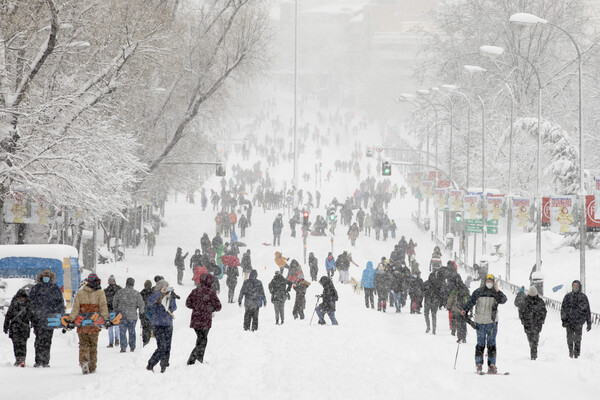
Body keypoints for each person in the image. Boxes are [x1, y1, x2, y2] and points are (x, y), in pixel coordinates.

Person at [461, 274, 507, 374]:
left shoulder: (496, 293)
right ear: (485, 281)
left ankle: (491, 365)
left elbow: (504, 300)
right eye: (488, 281)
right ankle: (479, 364)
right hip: (480, 322)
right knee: (480, 344)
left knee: (491, 344)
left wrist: (498, 291)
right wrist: (465, 309)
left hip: (492, 322)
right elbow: (471, 301)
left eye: (491, 281)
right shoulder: (478, 292)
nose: (489, 283)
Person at [69, 273, 109, 374]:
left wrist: (71, 319)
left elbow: (75, 308)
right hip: (95, 323)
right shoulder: (100, 292)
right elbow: (103, 307)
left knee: (83, 343)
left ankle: (84, 362)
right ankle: (92, 365)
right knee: (93, 345)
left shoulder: (80, 293)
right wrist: (106, 318)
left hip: (82, 322)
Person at [29, 270, 65, 367]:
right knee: (38, 340)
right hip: (38, 319)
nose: (46, 277)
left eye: (47, 276)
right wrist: (32, 315)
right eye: (44, 276)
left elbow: (60, 303)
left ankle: (45, 361)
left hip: (50, 319)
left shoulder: (55, 289)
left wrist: (60, 315)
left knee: (47, 340)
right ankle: (38, 360)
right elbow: (30, 303)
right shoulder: (36, 288)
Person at [186, 273, 222, 365]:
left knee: (200, 339)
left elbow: (188, 303)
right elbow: (218, 306)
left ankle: (198, 360)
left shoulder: (195, 291)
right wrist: (210, 309)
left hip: (196, 320)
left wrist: (196, 307)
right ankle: (193, 360)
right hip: (205, 320)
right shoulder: (211, 292)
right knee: (203, 341)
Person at [146, 280, 177, 373]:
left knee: (167, 347)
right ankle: (151, 364)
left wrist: (172, 299)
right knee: (162, 347)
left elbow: (174, 308)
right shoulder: (155, 296)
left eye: (167, 286)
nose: (166, 288)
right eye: (165, 287)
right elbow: (149, 301)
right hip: (158, 325)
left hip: (168, 324)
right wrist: (160, 292)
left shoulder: (169, 295)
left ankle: (164, 365)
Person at [560, 280, 592, 359]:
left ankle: (577, 354)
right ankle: (571, 351)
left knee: (578, 339)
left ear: (579, 287)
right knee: (569, 338)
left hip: (578, 322)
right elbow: (563, 309)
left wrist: (589, 322)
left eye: (576, 286)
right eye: (573, 286)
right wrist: (564, 320)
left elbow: (587, 310)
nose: (575, 287)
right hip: (569, 322)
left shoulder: (583, 297)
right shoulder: (568, 297)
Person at [113, 277, 145, 353]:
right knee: (132, 331)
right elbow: (141, 304)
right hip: (132, 315)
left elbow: (114, 303)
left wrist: (116, 309)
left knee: (122, 331)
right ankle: (132, 346)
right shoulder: (136, 293)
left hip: (122, 315)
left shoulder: (120, 292)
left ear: (126, 283)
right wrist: (141, 313)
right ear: (133, 284)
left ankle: (123, 347)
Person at [3, 288, 32, 367]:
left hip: (23, 328)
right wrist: (5, 326)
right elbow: (8, 316)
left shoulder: (28, 305)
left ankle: (22, 359)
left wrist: (33, 324)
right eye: (20, 297)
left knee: (23, 344)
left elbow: (32, 316)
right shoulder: (13, 305)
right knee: (16, 344)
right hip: (15, 328)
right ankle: (17, 359)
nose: (21, 299)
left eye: (23, 297)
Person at [519, 286, 547, 360]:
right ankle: (533, 351)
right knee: (530, 339)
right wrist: (523, 321)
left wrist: (541, 321)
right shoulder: (525, 301)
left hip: (537, 324)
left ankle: (533, 354)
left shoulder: (540, 301)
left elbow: (543, 312)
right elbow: (521, 312)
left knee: (534, 339)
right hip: (528, 324)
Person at [447, 277, 470, 343]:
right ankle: (464, 337)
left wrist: (449, 306)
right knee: (463, 323)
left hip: (456, 309)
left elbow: (450, 299)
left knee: (457, 322)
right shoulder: (465, 290)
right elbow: (469, 299)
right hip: (464, 309)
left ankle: (458, 336)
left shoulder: (455, 290)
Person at [104, 275, 122, 348]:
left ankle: (110, 342)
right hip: (117, 309)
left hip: (109, 309)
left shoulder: (106, 290)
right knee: (117, 324)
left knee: (110, 325)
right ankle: (117, 339)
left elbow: (104, 300)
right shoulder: (119, 289)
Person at [140, 280, 153, 347]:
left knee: (145, 328)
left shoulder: (141, 293)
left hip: (143, 313)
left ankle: (145, 342)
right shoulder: (153, 292)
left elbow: (139, 303)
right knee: (151, 327)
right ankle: (151, 341)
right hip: (151, 313)